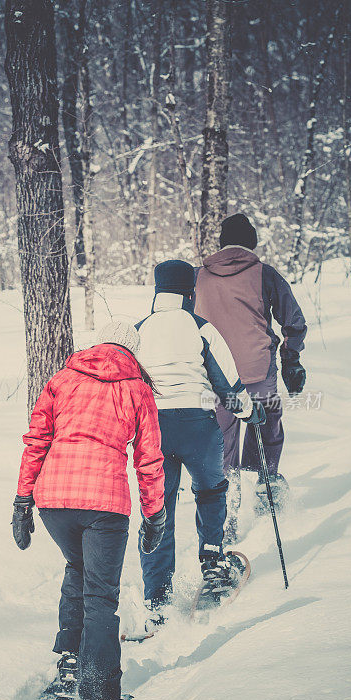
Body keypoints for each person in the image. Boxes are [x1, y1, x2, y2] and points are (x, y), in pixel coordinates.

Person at [12, 321, 165, 700]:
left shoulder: (63, 378)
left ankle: (68, 673)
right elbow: (148, 459)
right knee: (100, 598)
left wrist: (23, 499)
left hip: (54, 502)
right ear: (132, 351)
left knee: (77, 569)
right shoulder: (137, 387)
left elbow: (36, 440)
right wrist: (155, 515)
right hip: (104, 506)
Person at [136, 260, 264, 614]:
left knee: (158, 509)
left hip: (153, 430)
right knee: (210, 490)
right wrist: (250, 412)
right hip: (197, 425)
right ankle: (213, 562)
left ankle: (157, 598)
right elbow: (227, 384)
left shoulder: (138, 330)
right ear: (190, 292)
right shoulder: (201, 328)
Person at [194, 213, 307, 522]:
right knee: (267, 421)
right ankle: (266, 481)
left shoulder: (197, 277)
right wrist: (291, 358)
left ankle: (226, 501)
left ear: (220, 244)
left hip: (215, 376)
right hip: (257, 370)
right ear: (252, 243)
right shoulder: (265, 274)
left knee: (222, 436)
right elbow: (294, 322)